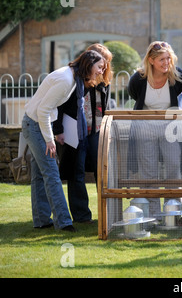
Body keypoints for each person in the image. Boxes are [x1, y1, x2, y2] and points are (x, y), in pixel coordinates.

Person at [22, 50, 105, 232]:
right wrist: (50, 139)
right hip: (35, 125)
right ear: (89, 64)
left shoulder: (73, 78)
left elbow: (52, 107)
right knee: (51, 172)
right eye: (99, 67)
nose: (101, 71)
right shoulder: (66, 80)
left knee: (39, 174)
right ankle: (64, 222)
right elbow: (43, 110)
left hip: (40, 123)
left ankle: (42, 220)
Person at [53, 44, 113, 223]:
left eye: (107, 62)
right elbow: (60, 105)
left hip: (97, 130)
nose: (104, 66)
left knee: (101, 170)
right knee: (76, 172)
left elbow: (106, 107)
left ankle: (106, 213)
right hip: (75, 131)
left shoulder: (105, 80)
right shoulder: (75, 79)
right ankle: (82, 216)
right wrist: (58, 130)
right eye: (102, 62)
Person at [128, 41, 182, 216]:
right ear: (151, 61)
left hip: (170, 127)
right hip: (145, 126)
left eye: (169, 58)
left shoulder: (177, 76)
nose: (166, 62)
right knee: (148, 170)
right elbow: (134, 95)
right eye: (162, 59)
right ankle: (152, 213)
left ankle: (173, 210)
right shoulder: (138, 79)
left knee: (174, 165)